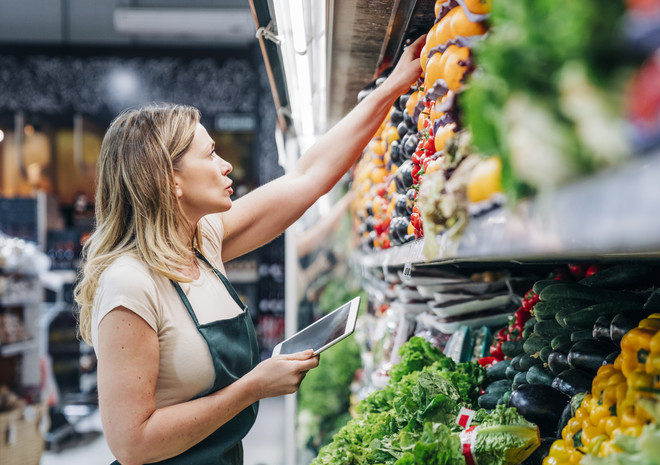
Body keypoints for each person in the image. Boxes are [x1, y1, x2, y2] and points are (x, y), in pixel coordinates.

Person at [73, 36, 426, 465]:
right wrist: (251, 388)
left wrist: (392, 87)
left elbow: (307, 177)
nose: (226, 165)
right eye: (210, 154)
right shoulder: (130, 282)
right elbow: (132, 444)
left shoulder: (202, 241)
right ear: (171, 180)